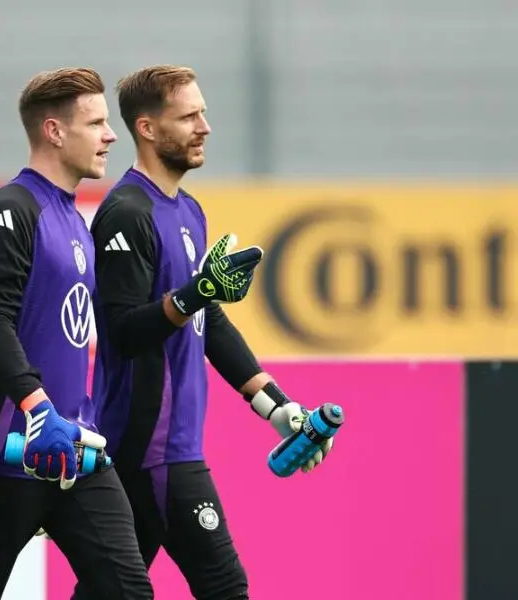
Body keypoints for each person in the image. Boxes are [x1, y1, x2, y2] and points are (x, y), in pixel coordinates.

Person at [78, 65, 335, 600]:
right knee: (225, 587)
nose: (205, 126)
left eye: (204, 112)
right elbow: (123, 331)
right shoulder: (126, 213)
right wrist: (196, 293)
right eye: (189, 116)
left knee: (112, 593)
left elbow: (205, 318)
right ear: (146, 129)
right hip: (152, 447)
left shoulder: (189, 211)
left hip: (163, 449)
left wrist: (276, 406)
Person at [0, 67, 153, 600]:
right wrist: (37, 408)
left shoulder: (76, 219)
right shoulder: (11, 210)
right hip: (7, 449)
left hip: (76, 453)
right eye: (96, 123)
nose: (111, 135)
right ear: (55, 131)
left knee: (128, 591)